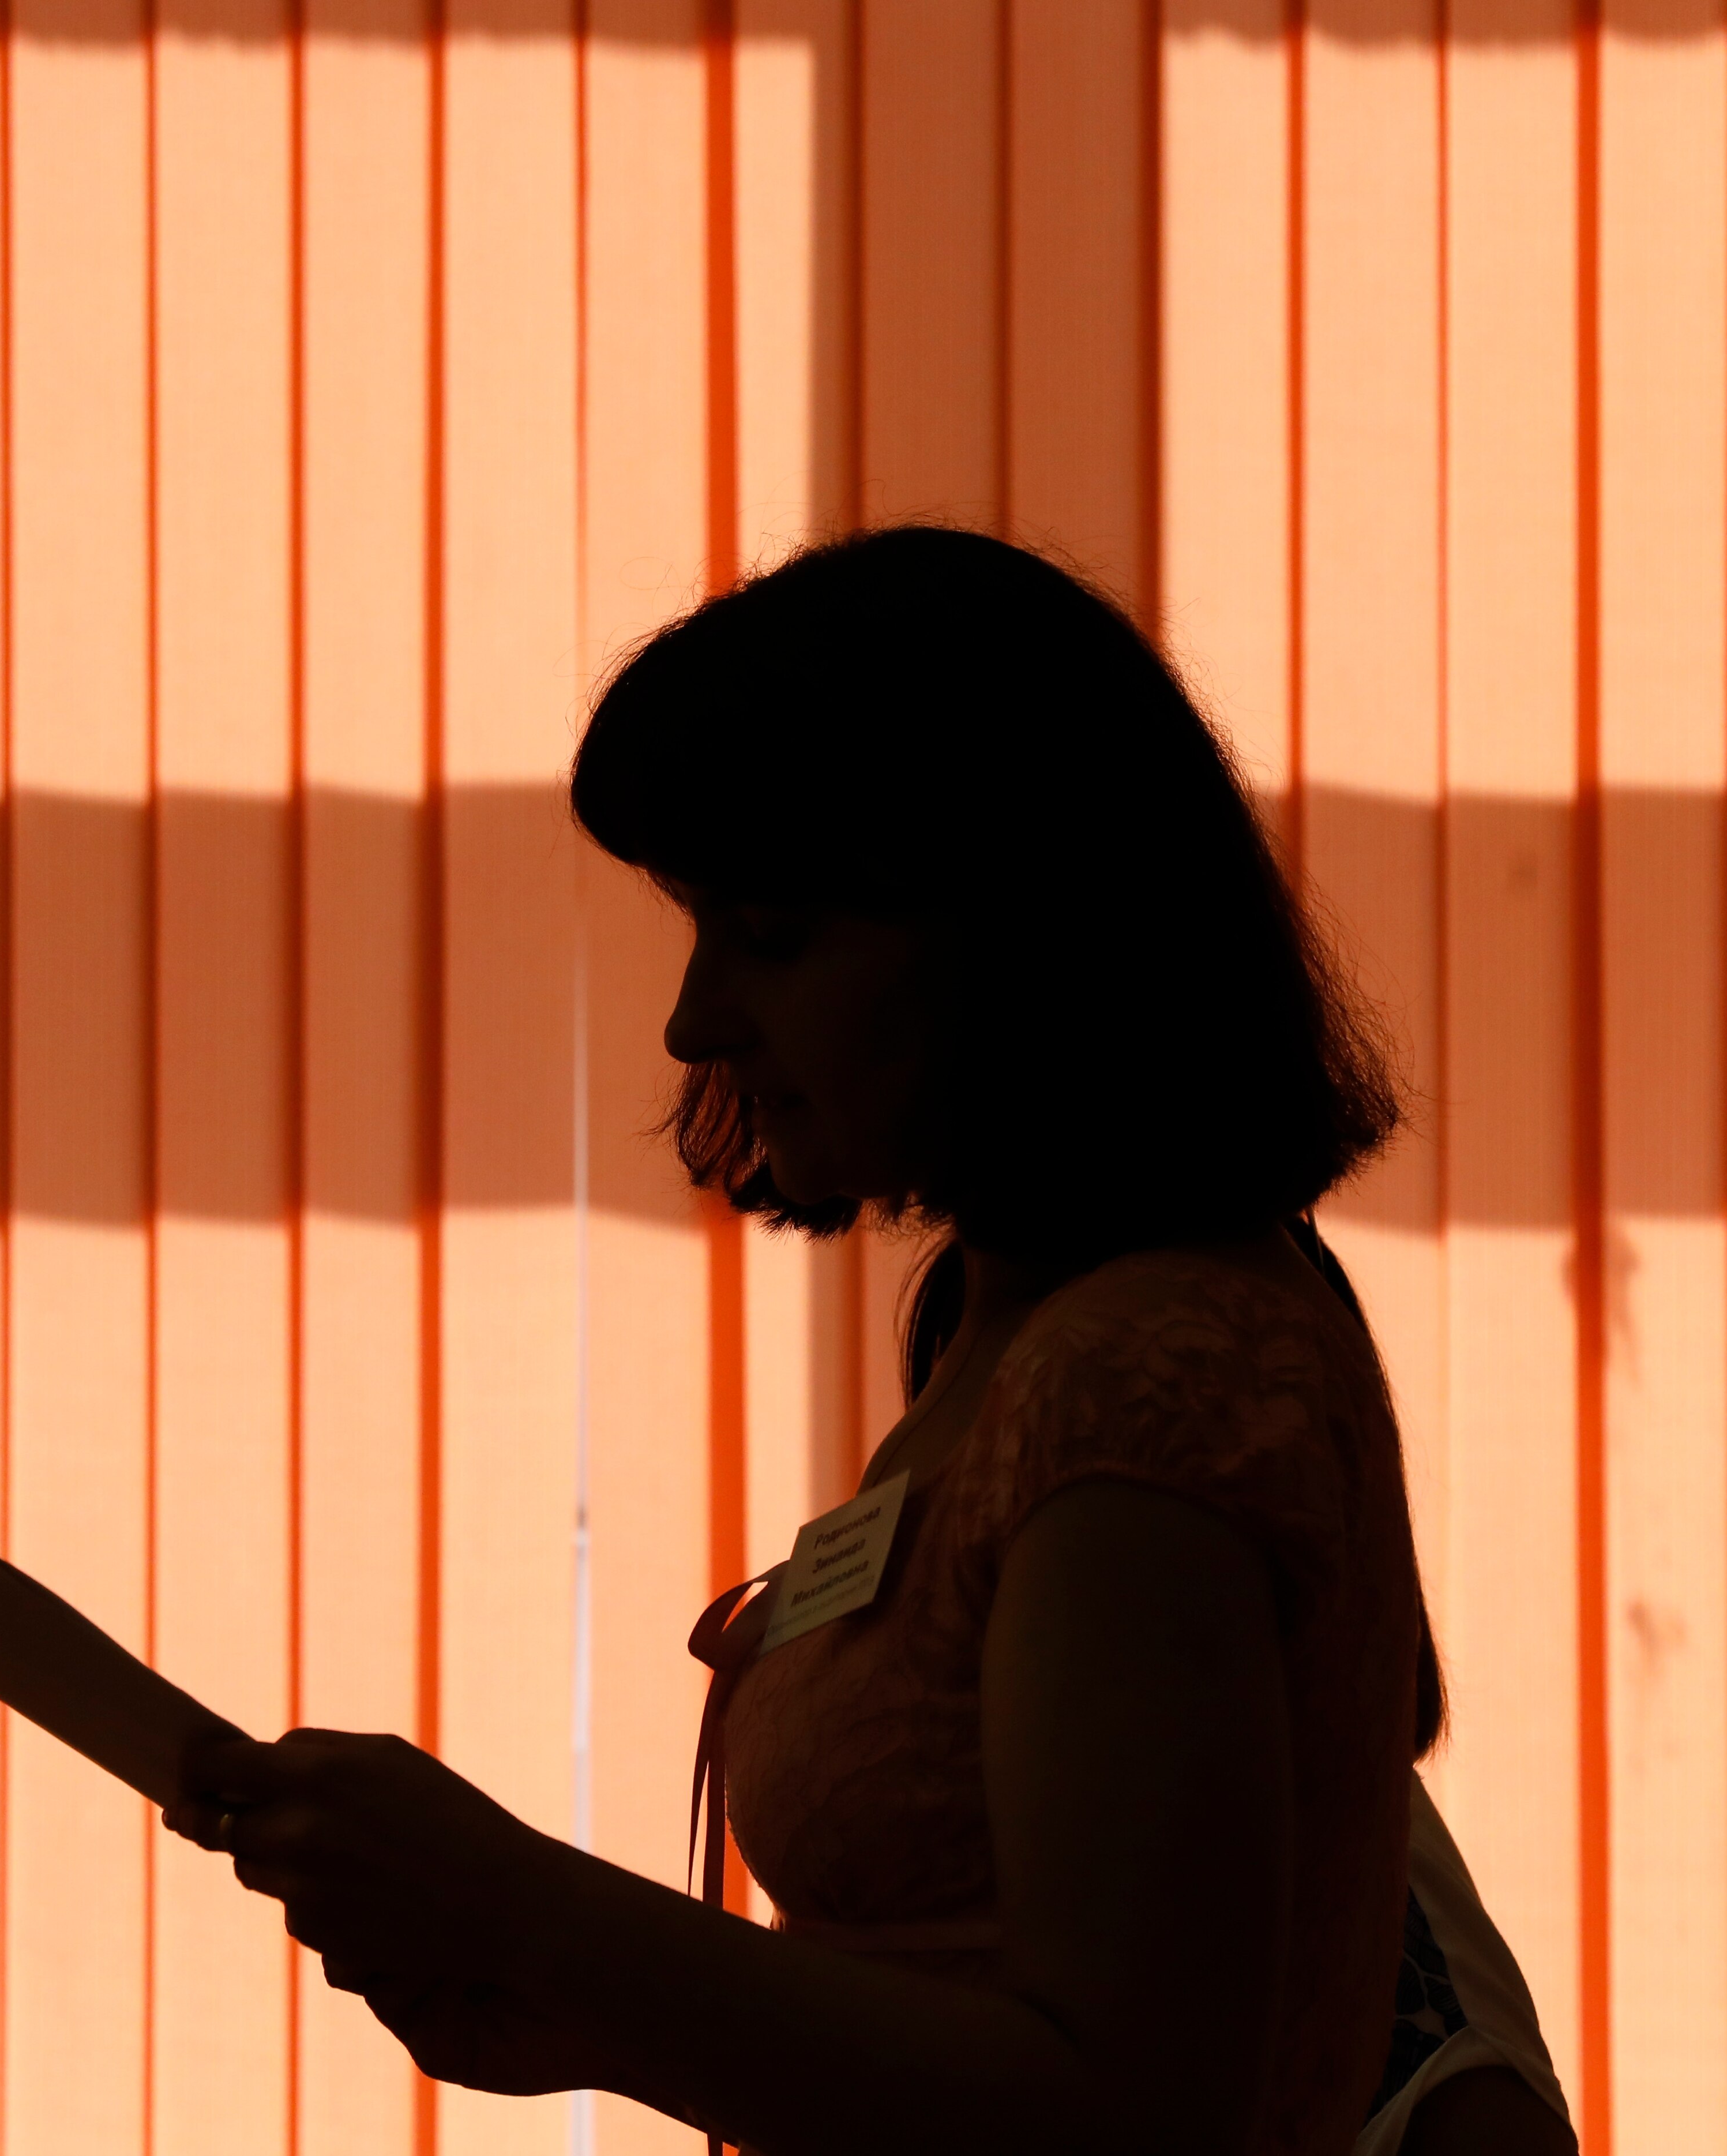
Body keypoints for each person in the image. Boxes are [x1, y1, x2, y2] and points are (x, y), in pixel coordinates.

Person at [169, 527, 1572, 2154]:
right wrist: (581, 2004)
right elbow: (967, 2007)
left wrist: (527, 1912)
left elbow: (1125, 2116)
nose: (695, 1019)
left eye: (770, 934)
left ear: (1021, 931)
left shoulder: (1143, 1385)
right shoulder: (1008, 1330)